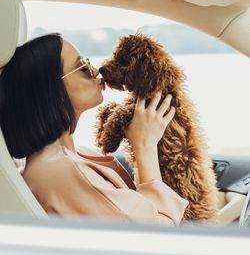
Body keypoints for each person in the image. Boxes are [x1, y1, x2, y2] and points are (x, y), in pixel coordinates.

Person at [0, 33, 188, 225]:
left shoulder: (72, 156)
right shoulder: (60, 172)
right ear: (51, 90)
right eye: (83, 67)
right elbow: (156, 236)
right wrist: (145, 145)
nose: (97, 71)